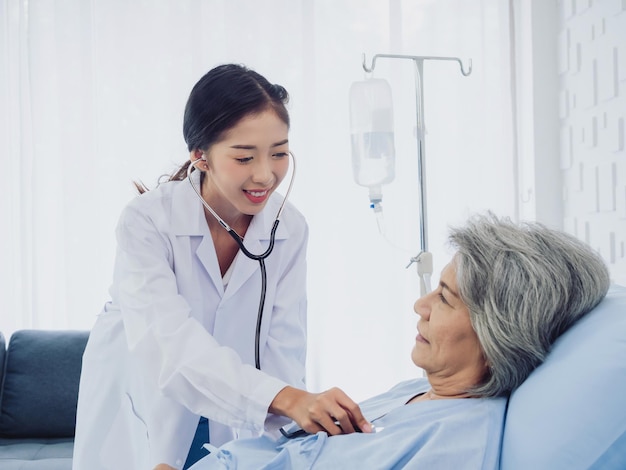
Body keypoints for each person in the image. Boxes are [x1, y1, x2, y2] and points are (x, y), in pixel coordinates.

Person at [73, 64, 371, 470]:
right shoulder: (147, 221)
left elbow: (284, 348)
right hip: (142, 397)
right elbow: (169, 345)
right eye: (245, 157)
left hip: (235, 404)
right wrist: (284, 398)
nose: (266, 175)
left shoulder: (290, 228)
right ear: (201, 157)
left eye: (279, 153)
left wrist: (294, 435)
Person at [183, 213, 610, 469]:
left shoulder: (456, 442)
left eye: (443, 298)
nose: (420, 305)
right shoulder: (421, 393)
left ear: (496, 333)